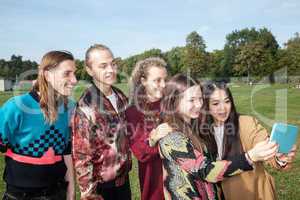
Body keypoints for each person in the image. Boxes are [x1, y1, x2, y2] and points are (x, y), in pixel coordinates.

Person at [157, 74, 278, 200]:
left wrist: (278, 157)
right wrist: (250, 157)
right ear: (174, 101)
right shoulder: (172, 136)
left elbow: (264, 143)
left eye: (200, 99)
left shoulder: (195, 126)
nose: (198, 104)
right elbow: (206, 171)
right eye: (192, 100)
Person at [0, 50, 77, 200]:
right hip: (20, 195)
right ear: (47, 75)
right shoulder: (17, 106)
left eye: (74, 73)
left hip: (57, 192)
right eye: (67, 73)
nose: (74, 80)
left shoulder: (69, 108)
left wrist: (71, 190)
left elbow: (66, 151)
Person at [201, 81, 298, 200]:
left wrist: (277, 156)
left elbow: (262, 142)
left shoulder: (246, 123)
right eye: (216, 103)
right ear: (206, 106)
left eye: (227, 101)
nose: (223, 108)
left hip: (253, 194)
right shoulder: (201, 132)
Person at [72, 44, 132, 200]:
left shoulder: (120, 96)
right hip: (101, 187)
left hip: (123, 182)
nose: (111, 69)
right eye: (103, 66)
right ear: (90, 70)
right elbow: (82, 156)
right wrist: (89, 193)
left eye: (113, 64)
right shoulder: (86, 106)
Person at [125, 57, 169, 200]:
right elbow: (141, 153)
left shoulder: (173, 104)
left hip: (181, 182)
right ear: (143, 81)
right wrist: (154, 138)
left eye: (165, 79)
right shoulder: (133, 112)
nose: (163, 85)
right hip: (154, 184)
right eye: (157, 80)